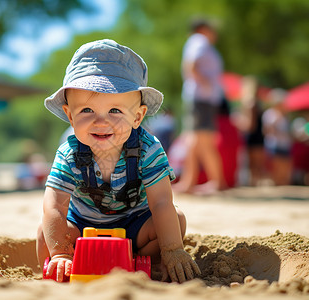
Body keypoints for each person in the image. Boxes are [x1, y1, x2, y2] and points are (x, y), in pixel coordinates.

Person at [36, 39, 201, 283]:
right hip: (82, 229)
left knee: (175, 220)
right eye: (87, 111)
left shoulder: (148, 149)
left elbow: (162, 202)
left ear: (137, 116)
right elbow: (54, 206)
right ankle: (60, 271)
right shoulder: (68, 153)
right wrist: (60, 252)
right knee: (44, 232)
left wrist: (172, 250)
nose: (101, 122)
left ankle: (146, 261)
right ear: (70, 116)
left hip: (135, 227)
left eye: (115, 111)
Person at [173, 20, 225, 194]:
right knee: (200, 140)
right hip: (202, 98)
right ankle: (215, 181)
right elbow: (191, 65)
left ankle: (195, 182)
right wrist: (206, 84)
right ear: (203, 29)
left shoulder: (200, 43)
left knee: (197, 140)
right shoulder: (199, 40)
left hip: (203, 99)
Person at [262, 88, 292, 185]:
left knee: (285, 168)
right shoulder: (269, 114)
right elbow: (267, 130)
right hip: (274, 144)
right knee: (276, 168)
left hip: (285, 144)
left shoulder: (285, 115)